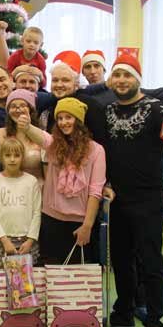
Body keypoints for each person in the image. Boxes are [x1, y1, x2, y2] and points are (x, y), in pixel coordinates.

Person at [103, 53, 163, 327]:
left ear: (137, 80)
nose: (121, 80)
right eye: (117, 75)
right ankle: (124, 311)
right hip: (117, 199)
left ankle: (155, 323)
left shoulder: (156, 108)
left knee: (150, 261)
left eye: (127, 75)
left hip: (150, 199)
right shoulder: (108, 110)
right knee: (121, 259)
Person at [24, 97, 106, 264]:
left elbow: (95, 191)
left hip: (79, 223)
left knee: (77, 274)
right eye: (60, 118)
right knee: (50, 271)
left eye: (68, 117)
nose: (63, 122)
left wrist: (87, 226)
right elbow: (38, 134)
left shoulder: (97, 150)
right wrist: (25, 124)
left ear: (79, 120)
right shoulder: (53, 144)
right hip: (51, 220)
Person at [0, 137, 41, 266]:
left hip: (26, 242)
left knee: (25, 278)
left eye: (17, 155)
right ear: (2, 158)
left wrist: (30, 240)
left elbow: (37, 213)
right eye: (8, 155)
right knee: (1, 277)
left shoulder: (31, 181)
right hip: (2, 241)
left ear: (22, 157)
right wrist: (4, 241)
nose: (12, 159)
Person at [80, 49, 163, 105]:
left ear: (104, 69)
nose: (93, 71)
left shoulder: (121, 89)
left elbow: (160, 94)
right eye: (88, 67)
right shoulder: (80, 94)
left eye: (97, 66)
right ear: (83, 72)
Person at [0, 89, 44, 182]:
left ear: (31, 110)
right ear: (8, 111)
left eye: (23, 105)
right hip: (9, 187)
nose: (18, 109)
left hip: (37, 188)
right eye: (13, 106)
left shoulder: (41, 135)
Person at [0, 21, 47, 90]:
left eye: (36, 43)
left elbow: (44, 84)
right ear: (22, 41)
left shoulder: (41, 60)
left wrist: (40, 75)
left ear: (41, 45)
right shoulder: (15, 56)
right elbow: (7, 78)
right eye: (28, 41)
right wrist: (16, 71)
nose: (32, 45)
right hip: (16, 87)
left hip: (33, 88)